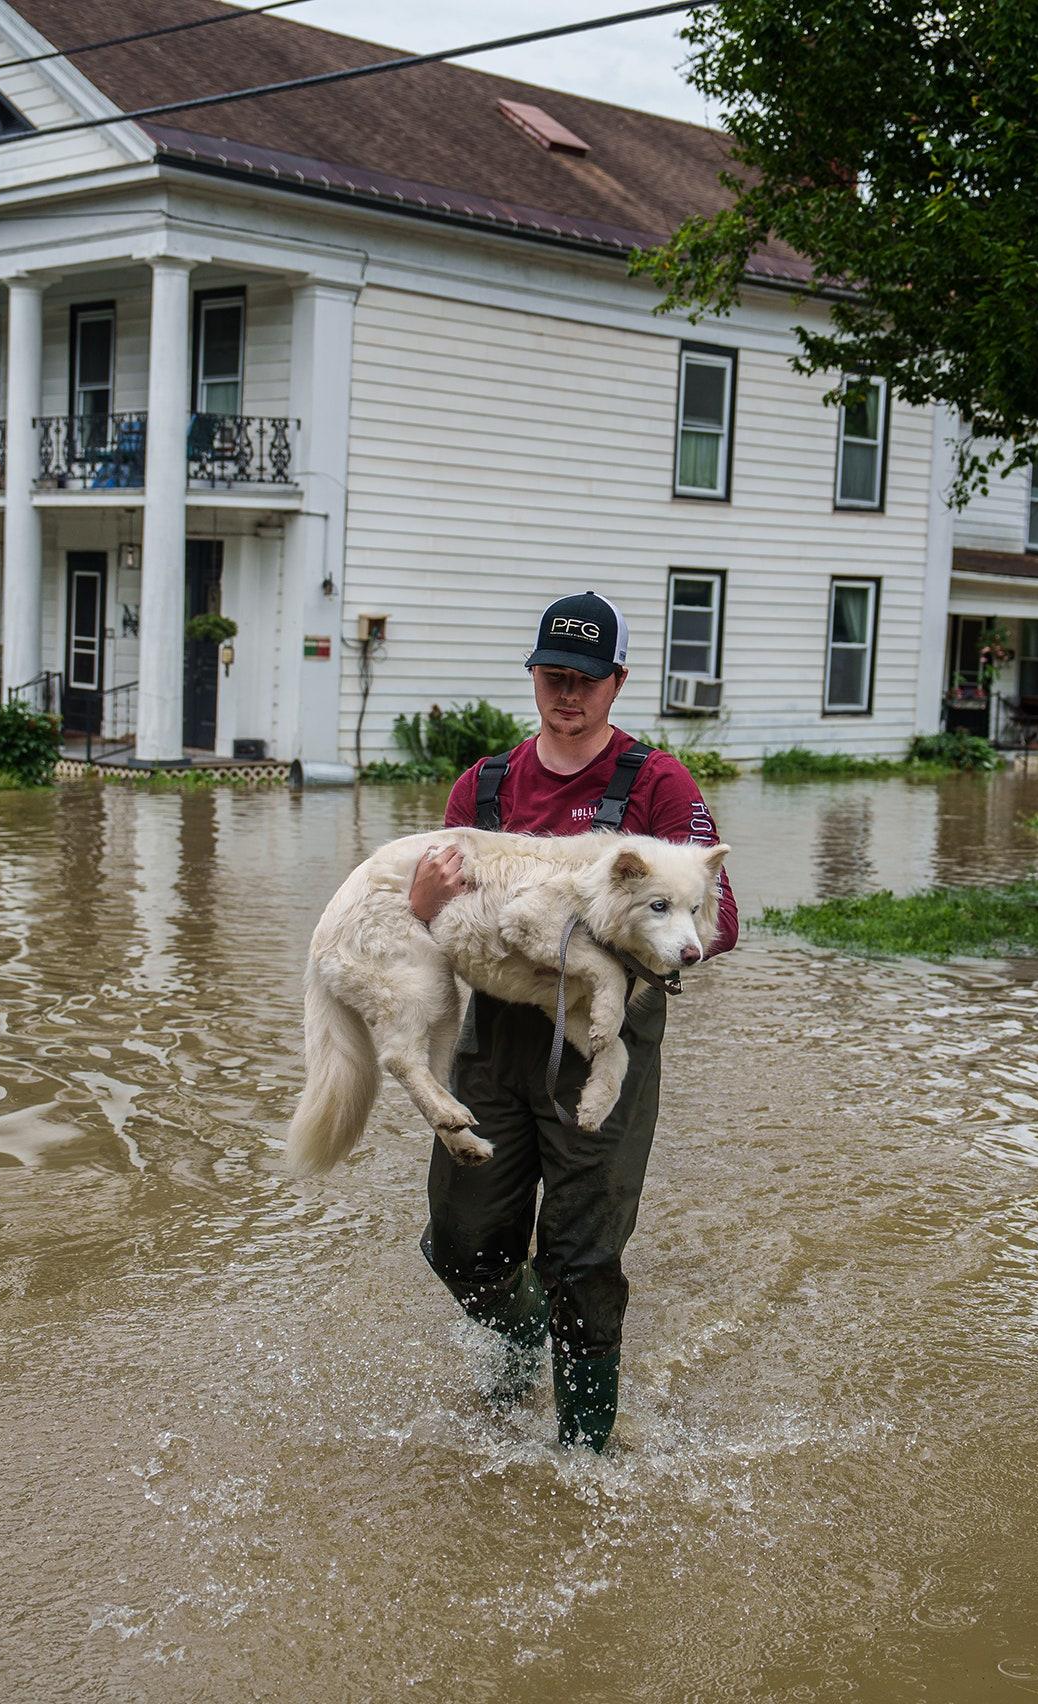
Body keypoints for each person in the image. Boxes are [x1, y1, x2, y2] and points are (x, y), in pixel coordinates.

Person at [409, 591, 738, 1451]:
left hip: (605, 1042)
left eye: (587, 679)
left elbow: (718, 920)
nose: (569, 694)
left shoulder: (658, 784)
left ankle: (584, 1456)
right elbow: (429, 930)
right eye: (554, 675)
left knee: (582, 1260)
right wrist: (418, 906)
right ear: (533, 677)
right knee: (459, 1246)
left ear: (617, 682)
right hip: (492, 1043)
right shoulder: (483, 786)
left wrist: (596, 926)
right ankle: (525, 1353)